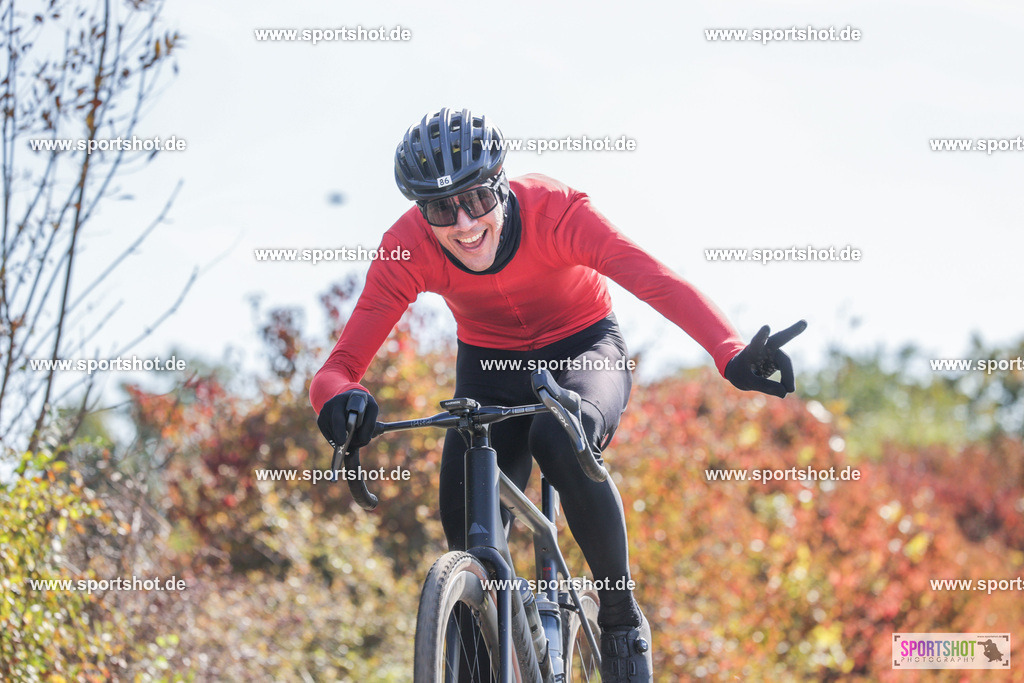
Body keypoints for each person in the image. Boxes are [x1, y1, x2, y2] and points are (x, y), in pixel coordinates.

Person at [311, 107, 805, 681]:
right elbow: (339, 367)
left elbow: (653, 279)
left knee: (558, 435)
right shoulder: (407, 246)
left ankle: (619, 619)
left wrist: (730, 352)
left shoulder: (557, 210)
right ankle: (484, 637)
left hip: (584, 350)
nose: (465, 224)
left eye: (476, 199)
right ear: (422, 212)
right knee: (467, 520)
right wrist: (340, 400)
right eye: (442, 209)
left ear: (500, 185)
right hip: (490, 365)